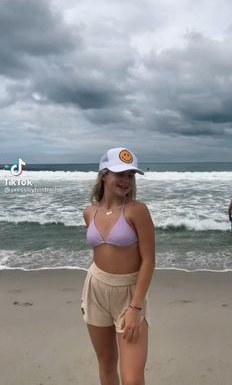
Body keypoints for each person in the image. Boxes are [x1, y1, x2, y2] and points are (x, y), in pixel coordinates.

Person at [81, 147, 156, 385]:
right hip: (95, 291)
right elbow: (99, 254)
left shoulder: (137, 210)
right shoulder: (89, 212)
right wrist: (89, 295)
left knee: (133, 378)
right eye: (120, 173)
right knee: (106, 365)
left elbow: (149, 260)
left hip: (129, 295)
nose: (126, 180)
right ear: (104, 174)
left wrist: (136, 308)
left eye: (130, 175)